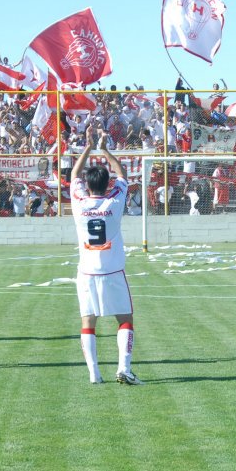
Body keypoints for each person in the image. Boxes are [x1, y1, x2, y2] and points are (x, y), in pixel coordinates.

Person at [70, 127, 140, 385]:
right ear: (106, 183)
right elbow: (122, 174)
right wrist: (104, 148)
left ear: (87, 185)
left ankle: (94, 373)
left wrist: (87, 147)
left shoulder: (78, 200)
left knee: (88, 321)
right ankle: (124, 367)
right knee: (125, 319)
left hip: (87, 271)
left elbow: (75, 173)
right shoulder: (114, 201)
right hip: (112, 270)